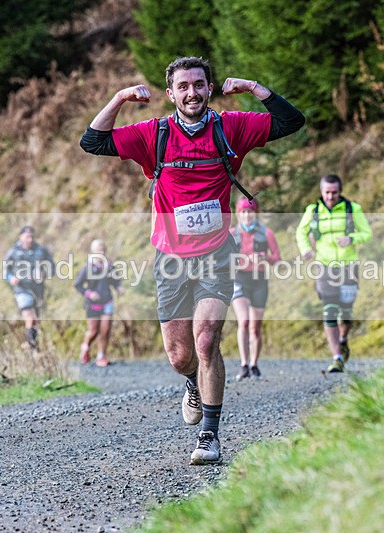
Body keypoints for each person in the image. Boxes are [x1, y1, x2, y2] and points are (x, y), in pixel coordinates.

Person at [80, 56, 304, 464]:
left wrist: (254, 88)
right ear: (171, 94)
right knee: (180, 356)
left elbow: (291, 122)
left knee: (206, 340)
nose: (192, 93)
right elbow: (92, 141)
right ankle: (193, 385)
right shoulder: (155, 133)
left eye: (199, 85)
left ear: (209, 87)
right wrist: (119, 97)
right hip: (170, 259)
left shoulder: (231, 126)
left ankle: (209, 435)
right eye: (183, 86)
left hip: (217, 254)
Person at [295, 174, 372, 373]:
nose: (330, 196)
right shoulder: (313, 211)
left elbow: (367, 233)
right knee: (329, 310)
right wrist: (305, 250)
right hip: (324, 266)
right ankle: (336, 357)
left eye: (334, 192)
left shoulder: (352, 209)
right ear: (321, 191)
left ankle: (343, 338)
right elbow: (300, 233)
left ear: (340, 191)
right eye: (327, 192)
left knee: (346, 310)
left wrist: (352, 238)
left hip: (348, 266)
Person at [230, 197, 281, 381]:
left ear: (255, 213)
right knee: (243, 321)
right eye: (243, 212)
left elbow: (277, 258)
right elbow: (222, 259)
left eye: (250, 212)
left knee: (255, 327)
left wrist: (265, 258)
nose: (247, 216)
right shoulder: (231, 234)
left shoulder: (266, 233)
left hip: (259, 280)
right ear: (238, 213)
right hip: (239, 279)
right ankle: (243, 364)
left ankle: (254, 363)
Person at [4, 225, 54, 351]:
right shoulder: (13, 252)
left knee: (36, 321)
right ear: (21, 237)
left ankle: (30, 343)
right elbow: (5, 270)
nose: (30, 240)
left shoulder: (41, 251)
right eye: (27, 237)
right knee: (30, 318)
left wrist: (44, 273)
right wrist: (11, 278)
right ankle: (32, 347)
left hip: (37, 289)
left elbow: (52, 267)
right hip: (21, 289)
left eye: (32, 237)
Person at [74, 239, 124, 367]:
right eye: (98, 250)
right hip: (92, 304)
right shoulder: (88, 267)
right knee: (93, 331)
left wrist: (118, 287)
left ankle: (101, 355)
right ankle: (85, 347)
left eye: (102, 250)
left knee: (105, 330)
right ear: (93, 252)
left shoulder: (109, 266)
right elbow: (78, 285)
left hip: (107, 301)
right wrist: (89, 293)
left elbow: (115, 280)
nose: (100, 252)